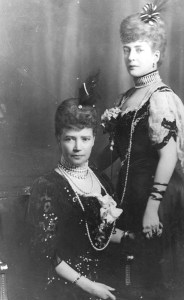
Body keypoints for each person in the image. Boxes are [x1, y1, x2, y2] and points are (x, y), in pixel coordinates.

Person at [98, 3, 184, 300]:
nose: (131, 56)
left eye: (139, 49)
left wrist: (153, 207)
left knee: (158, 277)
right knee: (132, 273)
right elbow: (113, 153)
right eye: (127, 49)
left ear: (155, 55)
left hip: (158, 197)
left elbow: (168, 156)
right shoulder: (128, 96)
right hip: (130, 192)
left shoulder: (161, 98)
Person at [26, 75, 123, 300]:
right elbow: (45, 253)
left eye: (85, 139)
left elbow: (99, 234)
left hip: (105, 277)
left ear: (93, 139)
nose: (78, 147)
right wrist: (89, 286)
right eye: (70, 139)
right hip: (69, 287)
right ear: (58, 138)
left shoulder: (102, 182)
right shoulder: (47, 187)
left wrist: (129, 237)